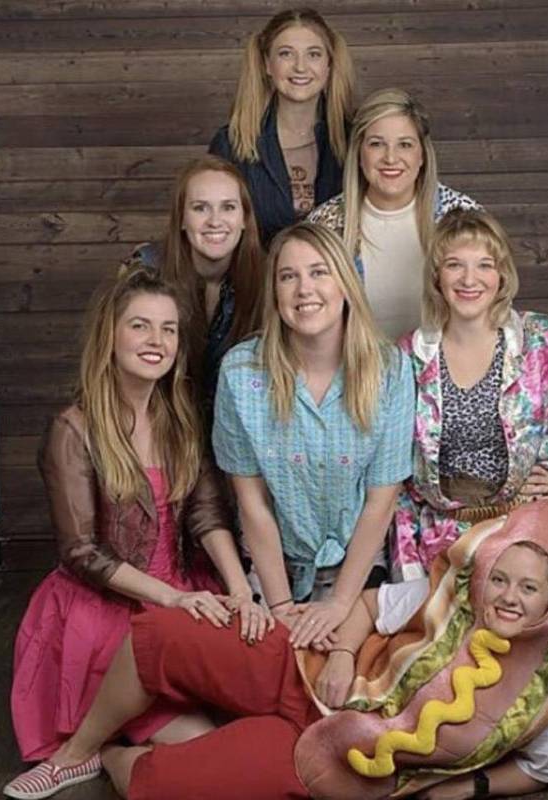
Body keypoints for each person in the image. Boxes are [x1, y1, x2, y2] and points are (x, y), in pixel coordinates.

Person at [3, 501, 548, 800]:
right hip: (303, 667)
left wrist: (464, 788)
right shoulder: (446, 594)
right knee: (165, 632)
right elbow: (368, 605)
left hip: (332, 759)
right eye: (499, 579)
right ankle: (79, 749)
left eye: (528, 588)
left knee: (162, 785)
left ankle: (112, 754)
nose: (507, 597)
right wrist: (341, 656)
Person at [7, 269, 270, 784]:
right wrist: (171, 599)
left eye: (168, 329)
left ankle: (118, 750)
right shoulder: (73, 429)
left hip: (183, 588)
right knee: (203, 745)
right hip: (107, 603)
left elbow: (206, 514)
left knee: (247, 718)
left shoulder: (179, 420)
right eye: (140, 326)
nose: (157, 340)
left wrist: (241, 590)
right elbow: (82, 552)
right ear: (110, 335)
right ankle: (97, 753)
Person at [392, 208, 548, 580]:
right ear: (436, 276)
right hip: (438, 541)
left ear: (502, 275)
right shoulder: (410, 356)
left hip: (529, 531)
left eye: (485, 265)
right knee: (433, 619)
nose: (469, 279)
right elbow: (386, 464)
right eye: (454, 265)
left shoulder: (542, 339)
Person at [212, 220, 414, 651]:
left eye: (319, 272)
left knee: (350, 674)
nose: (304, 289)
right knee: (273, 666)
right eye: (288, 276)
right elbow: (252, 503)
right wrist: (282, 607)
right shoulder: (240, 373)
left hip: (359, 570)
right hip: (274, 569)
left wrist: (340, 603)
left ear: (345, 284)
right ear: (275, 293)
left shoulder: (391, 370)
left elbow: (380, 502)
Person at [309, 88, 478, 339]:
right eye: (376, 144)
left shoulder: (462, 217)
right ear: (359, 153)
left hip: (443, 362)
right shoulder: (325, 224)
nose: (390, 158)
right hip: (356, 361)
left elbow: (491, 306)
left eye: (405, 145)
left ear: (422, 155)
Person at [125, 155, 264, 422]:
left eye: (228, 207)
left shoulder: (269, 277)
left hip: (239, 424)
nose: (215, 221)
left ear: (245, 218)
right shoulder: (147, 270)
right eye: (200, 208)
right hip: (157, 421)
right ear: (181, 219)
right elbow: (115, 362)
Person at [209, 8, 354, 244]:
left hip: (338, 268)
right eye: (286, 54)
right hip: (257, 268)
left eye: (314, 54)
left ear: (329, 64)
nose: (300, 67)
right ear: (267, 64)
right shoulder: (230, 144)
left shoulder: (356, 139)